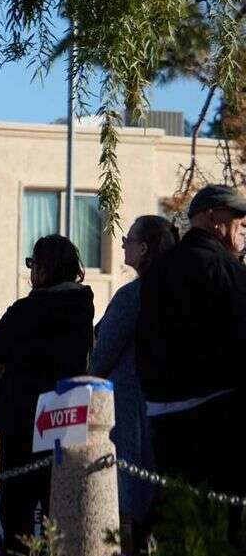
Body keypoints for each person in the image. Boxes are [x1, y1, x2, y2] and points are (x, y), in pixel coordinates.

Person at [136, 183, 246, 533]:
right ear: (213, 218)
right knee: (216, 524)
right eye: (239, 220)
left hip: (163, 416)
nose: (244, 227)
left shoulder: (156, 271)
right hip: (217, 417)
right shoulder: (227, 271)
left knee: (175, 517)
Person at [0, 235, 95, 556]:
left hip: (22, 417)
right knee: (57, 505)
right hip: (64, 416)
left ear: (44, 269)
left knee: (16, 507)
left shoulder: (26, 310)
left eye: (33, 265)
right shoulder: (82, 308)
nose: (30, 272)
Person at [89, 214, 179, 528]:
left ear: (143, 248)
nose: (123, 244)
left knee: (131, 502)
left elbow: (101, 356)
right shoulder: (178, 292)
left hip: (130, 409)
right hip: (167, 406)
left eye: (128, 239)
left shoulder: (133, 296)